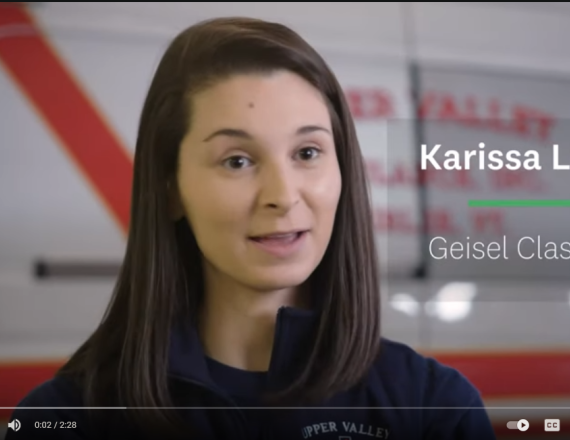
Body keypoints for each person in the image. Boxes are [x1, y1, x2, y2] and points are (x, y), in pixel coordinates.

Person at [5, 17, 496, 440]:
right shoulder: (69, 417)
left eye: (308, 153)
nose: (282, 194)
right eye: (237, 160)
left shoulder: (435, 407)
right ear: (171, 189)